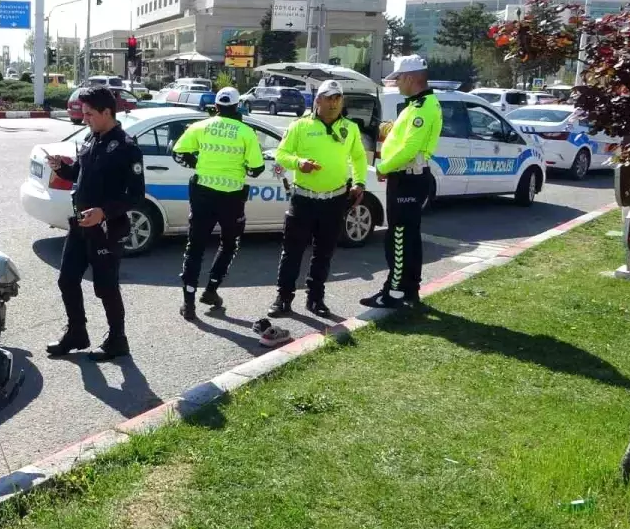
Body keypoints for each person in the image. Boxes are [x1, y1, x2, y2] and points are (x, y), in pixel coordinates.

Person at [45, 87, 145, 361]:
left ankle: (117, 340)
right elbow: (80, 172)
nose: (85, 118)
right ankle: (77, 332)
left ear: (106, 112)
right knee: (67, 280)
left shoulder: (126, 147)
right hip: (80, 224)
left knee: (106, 287)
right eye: (84, 113)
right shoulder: (91, 138)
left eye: (89, 114)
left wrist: (104, 212)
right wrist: (60, 168)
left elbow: (135, 196)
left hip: (106, 228)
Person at [266, 80, 367, 335]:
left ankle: (315, 299)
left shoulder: (350, 129)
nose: (333, 103)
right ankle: (283, 298)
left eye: (337, 98)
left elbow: (358, 157)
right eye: (328, 98)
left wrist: (359, 182)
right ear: (317, 101)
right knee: (293, 251)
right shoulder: (300, 126)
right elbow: (281, 154)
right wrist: (299, 163)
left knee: (324, 253)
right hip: (304, 199)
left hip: (334, 200)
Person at [171, 86, 265, 320]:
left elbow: (179, 152)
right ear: (237, 106)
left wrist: (200, 165)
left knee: (195, 247)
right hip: (232, 198)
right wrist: (240, 167)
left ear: (215, 106)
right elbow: (257, 169)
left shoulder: (200, 127)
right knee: (229, 244)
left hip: (202, 193)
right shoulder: (246, 132)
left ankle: (189, 302)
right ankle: (212, 289)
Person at [360, 55, 443, 309]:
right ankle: (409, 289)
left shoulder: (422, 108)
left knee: (397, 236)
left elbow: (410, 148)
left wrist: (383, 167)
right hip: (409, 176)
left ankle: (394, 291)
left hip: (407, 177)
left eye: (398, 79)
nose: (396, 84)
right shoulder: (417, 105)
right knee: (409, 236)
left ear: (410, 78)